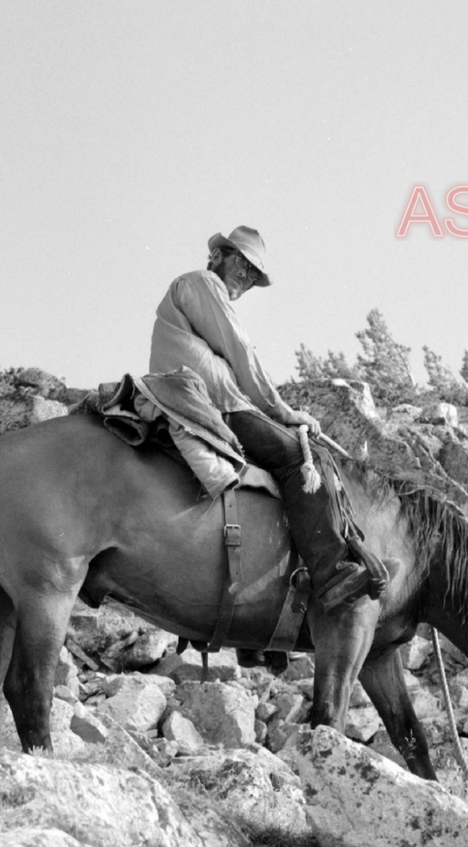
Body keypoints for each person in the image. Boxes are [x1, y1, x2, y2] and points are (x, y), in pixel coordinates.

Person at [149, 226, 389, 612]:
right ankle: (330, 570)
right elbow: (241, 353)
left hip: (207, 395)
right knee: (298, 457)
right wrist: (283, 412)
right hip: (213, 400)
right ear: (216, 257)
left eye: (251, 275)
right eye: (241, 266)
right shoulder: (202, 284)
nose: (244, 279)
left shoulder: (197, 292)